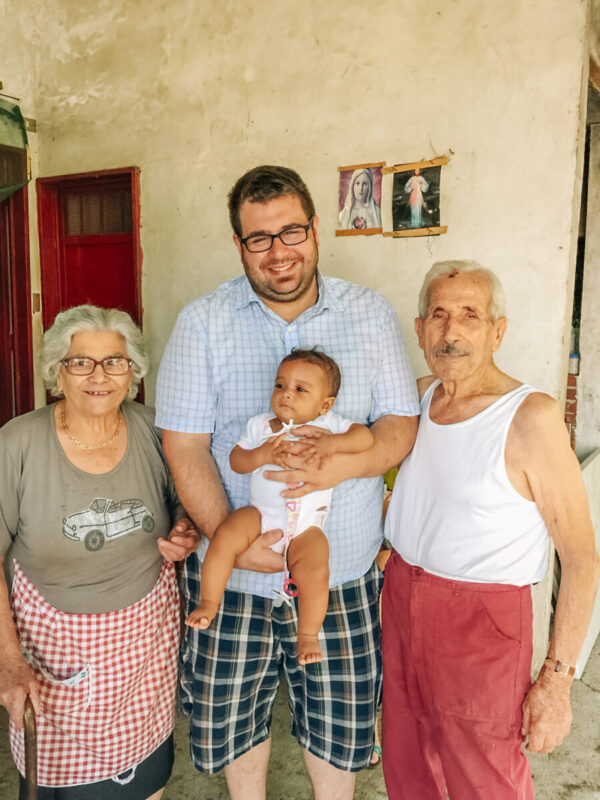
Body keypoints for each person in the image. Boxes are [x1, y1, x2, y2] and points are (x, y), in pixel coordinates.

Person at [156, 164, 419, 800]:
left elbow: (400, 426)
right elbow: (184, 446)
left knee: (338, 724)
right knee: (236, 727)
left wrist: (338, 462)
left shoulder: (368, 314)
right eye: (259, 238)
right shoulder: (203, 322)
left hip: (341, 567)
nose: (279, 252)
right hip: (237, 571)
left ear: (316, 229)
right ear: (239, 244)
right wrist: (229, 539)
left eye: (291, 231)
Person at [381, 260, 600, 800]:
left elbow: (581, 557)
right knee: (409, 763)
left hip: (481, 620)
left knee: (485, 777)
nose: (451, 332)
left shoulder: (532, 418)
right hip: (402, 596)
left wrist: (557, 680)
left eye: (470, 315)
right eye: (438, 315)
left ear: (497, 330)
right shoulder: (418, 397)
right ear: (419, 328)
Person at [0, 305, 200, 800]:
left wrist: (185, 528)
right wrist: (8, 659)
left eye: (114, 361)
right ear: (57, 371)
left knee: (146, 779)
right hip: (50, 656)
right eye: (80, 362)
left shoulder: (155, 429)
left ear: (131, 370)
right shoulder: (17, 443)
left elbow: (184, 502)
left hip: (144, 655)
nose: (99, 376)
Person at [186, 348, 374, 667]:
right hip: (259, 514)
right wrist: (260, 455)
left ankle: (308, 635)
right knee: (225, 536)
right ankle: (208, 601)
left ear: (325, 403)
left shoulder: (328, 425)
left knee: (315, 569)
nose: (286, 394)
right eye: (280, 385)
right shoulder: (261, 426)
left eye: (300, 389)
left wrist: (333, 444)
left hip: (308, 527)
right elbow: (237, 460)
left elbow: (365, 438)